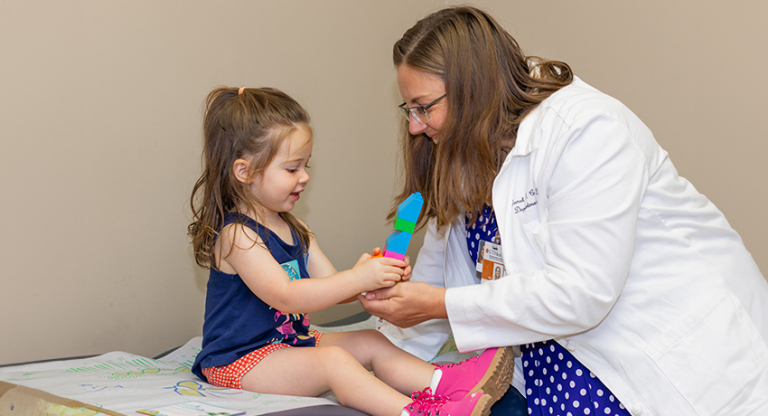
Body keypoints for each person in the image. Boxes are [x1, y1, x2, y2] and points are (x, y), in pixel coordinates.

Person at [360, 6, 768, 416]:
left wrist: (438, 305)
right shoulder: (466, 163)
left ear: (473, 90)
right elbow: (429, 298)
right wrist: (370, 349)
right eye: (408, 110)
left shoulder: (586, 129)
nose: (415, 126)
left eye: (423, 106)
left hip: (677, 369)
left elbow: (580, 292)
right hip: (555, 382)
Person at [187, 86, 516, 416]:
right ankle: (417, 413)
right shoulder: (237, 235)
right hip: (242, 359)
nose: (303, 178)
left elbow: (330, 286)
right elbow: (286, 296)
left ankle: (448, 384)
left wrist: (367, 277)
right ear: (244, 172)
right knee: (334, 362)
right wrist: (357, 278)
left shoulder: (296, 228)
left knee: (371, 341)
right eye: (292, 169)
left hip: (289, 343)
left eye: (306, 167)